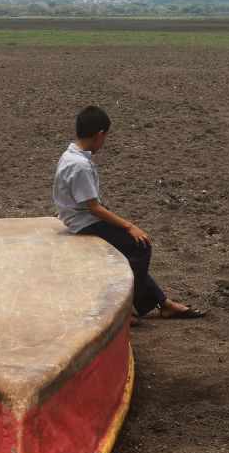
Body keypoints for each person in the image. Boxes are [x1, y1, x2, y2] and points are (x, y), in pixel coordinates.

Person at [53, 105, 207, 325]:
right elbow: (94, 209)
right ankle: (119, 306)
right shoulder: (80, 166)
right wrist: (128, 225)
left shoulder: (70, 155)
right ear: (101, 135)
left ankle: (163, 303)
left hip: (76, 218)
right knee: (139, 246)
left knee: (131, 248)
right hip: (83, 222)